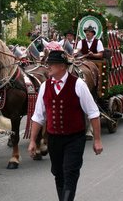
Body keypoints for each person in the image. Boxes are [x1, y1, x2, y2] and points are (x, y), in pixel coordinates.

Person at [28, 50, 103, 201]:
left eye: (51, 64)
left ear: (62, 66)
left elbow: (93, 113)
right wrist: (32, 140)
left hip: (74, 139)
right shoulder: (44, 86)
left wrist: (97, 139)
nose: (47, 67)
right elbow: (38, 116)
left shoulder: (78, 85)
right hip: (54, 139)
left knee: (70, 172)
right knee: (58, 173)